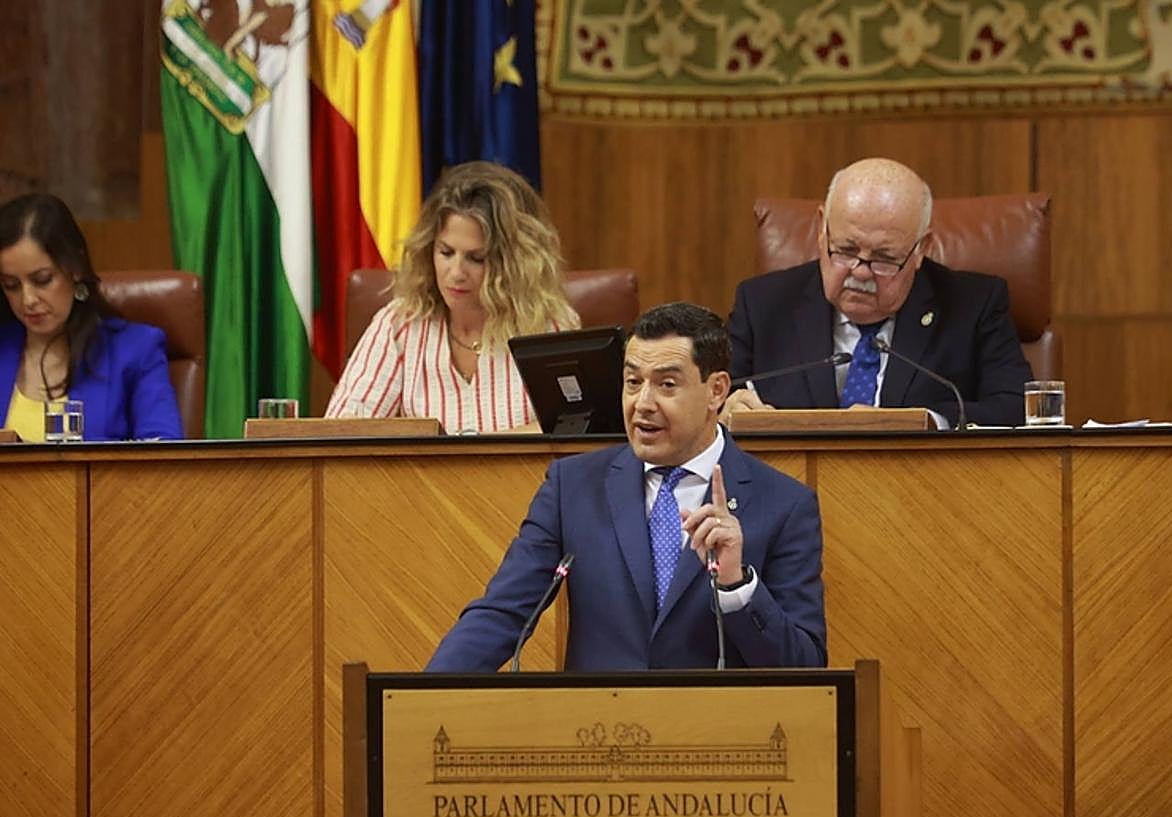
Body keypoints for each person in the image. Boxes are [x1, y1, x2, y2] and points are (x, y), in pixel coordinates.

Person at [426, 302, 826, 672]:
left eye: (667, 385)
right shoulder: (572, 487)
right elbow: (502, 614)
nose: (643, 403)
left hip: (719, 725)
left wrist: (737, 585)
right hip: (597, 722)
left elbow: (804, 666)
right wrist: (419, 700)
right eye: (633, 382)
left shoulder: (784, 504)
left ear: (716, 390)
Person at [726, 158, 1032, 427]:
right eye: (846, 251)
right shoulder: (762, 305)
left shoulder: (973, 306)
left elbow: (1017, 407)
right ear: (822, 229)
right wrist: (722, 410)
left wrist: (922, 422)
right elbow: (711, 397)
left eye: (884, 259)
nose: (860, 272)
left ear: (921, 249)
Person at [326, 161, 580, 433]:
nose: (456, 273)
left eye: (476, 258)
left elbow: (574, 428)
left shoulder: (550, 327)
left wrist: (477, 450)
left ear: (514, 264)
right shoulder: (400, 324)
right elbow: (341, 434)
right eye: (446, 253)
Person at [0, 193, 183, 441]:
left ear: (75, 267)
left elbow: (163, 451)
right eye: (11, 285)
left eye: (42, 280)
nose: (28, 299)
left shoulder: (135, 350)